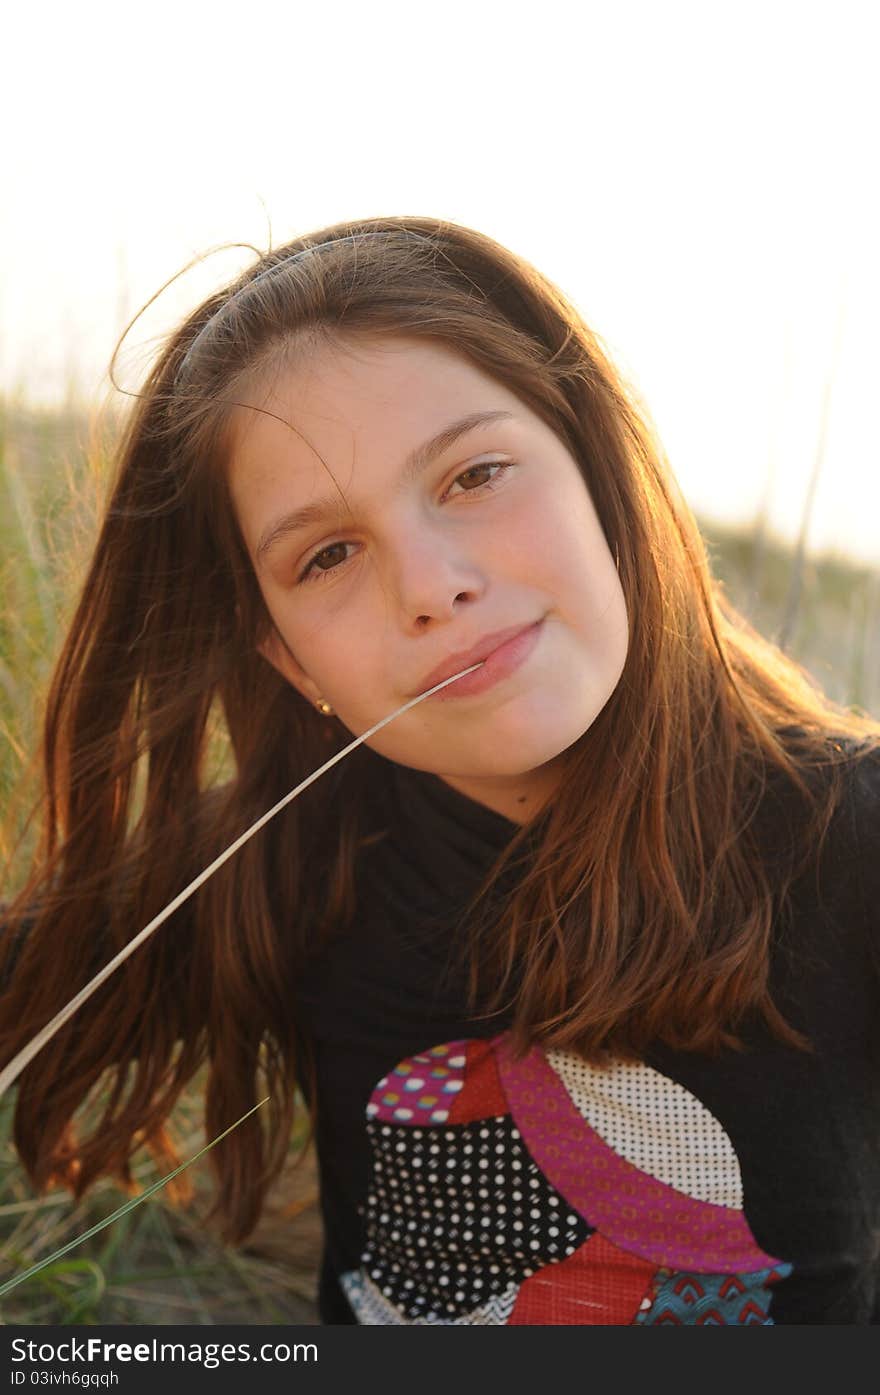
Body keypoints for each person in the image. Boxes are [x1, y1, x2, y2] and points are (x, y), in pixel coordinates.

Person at [2, 215, 879, 1326]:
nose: (428, 584)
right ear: (285, 655)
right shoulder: (282, 864)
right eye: (326, 555)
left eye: (473, 475)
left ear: (599, 469)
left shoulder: (845, 839)